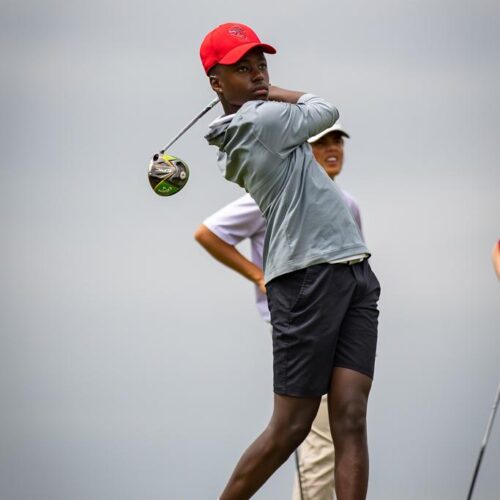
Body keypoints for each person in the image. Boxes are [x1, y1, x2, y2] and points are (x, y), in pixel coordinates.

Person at [199, 22, 381, 500]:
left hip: (351, 270)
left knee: (350, 413)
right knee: (292, 426)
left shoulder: (254, 120)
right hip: (307, 280)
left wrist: (255, 90)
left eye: (262, 64)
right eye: (243, 67)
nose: (258, 73)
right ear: (216, 82)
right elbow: (325, 109)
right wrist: (271, 91)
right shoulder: (261, 120)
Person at [195, 121, 361, 500]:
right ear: (303, 149)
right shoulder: (274, 195)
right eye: (322, 141)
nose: (332, 148)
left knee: (342, 427)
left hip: (339, 323)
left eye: (338, 140)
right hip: (298, 323)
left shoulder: (347, 204)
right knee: (315, 435)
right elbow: (209, 233)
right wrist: (259, 276)